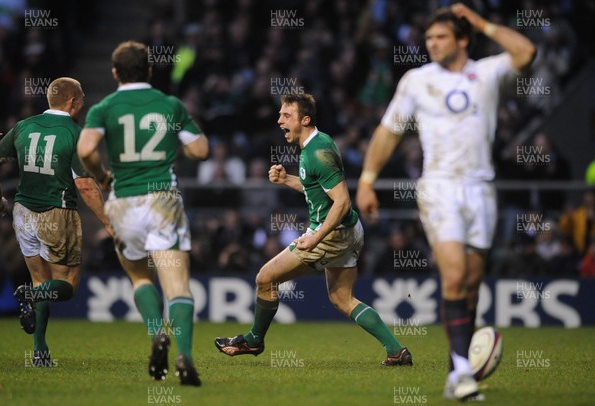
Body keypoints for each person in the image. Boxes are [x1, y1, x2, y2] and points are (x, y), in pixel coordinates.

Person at [355, 4, 536, 401]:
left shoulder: (486, 72)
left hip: (481, 189)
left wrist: (483, 21)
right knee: (453, 275)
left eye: (440, 37)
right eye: (429, 39)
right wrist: (367, 181)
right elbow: (388, 133)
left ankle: (458, 374)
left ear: (463, 39)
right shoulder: (417, 81)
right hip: (438, 187)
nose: (432, 44)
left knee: (471, 285)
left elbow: (525, 53)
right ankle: (462, 370)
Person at [214, 93, 412, 367]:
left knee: (265, 278)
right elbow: (319, 189)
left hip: (330, 234)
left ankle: (254, 339)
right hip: (349, 230)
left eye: (286, 115)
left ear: (305, 119)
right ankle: (396, 350)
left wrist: (316, 236)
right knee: (343, 299)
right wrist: (287, 180)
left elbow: (342, 202)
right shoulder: (317, 145)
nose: (279, 119)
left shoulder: (317, 153)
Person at [77, 41, 209, 386]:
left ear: (115, 72)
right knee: (178, 287)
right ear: (150, 71)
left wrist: (103, 176)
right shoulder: (169, 104)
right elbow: (201, 149)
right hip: (162, 200)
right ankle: (186, 356)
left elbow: (86, 149)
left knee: (139, 277)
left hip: (123, 201)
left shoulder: (104, 107)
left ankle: (156, 333)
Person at [0, 78, 112, 366]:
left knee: (40, 279)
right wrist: (109, 223)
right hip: (56, 213)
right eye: (82, 98)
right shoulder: (74, 133)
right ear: (72, 102)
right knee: (67, 285)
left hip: (22, 212)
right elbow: (85, 186)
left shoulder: (23, 126)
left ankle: (39, 351)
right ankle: (30, 295)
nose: (84, 103)